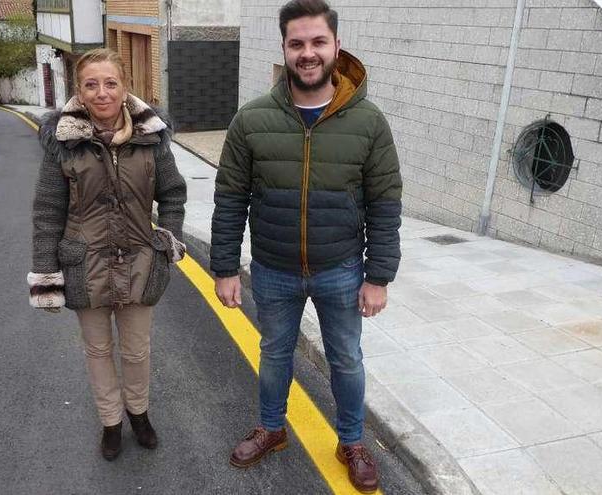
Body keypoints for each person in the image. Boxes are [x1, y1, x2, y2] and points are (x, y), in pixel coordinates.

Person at [210, 0, 402, 491]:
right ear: (285, 49)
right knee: (274, 353)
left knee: (347, 359)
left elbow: (384, 202)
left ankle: (352, 441)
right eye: (297, 43)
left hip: (341, 269)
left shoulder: (369, 122)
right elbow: (230, 197)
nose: (308, 53)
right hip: (273, 268)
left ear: (337, 46)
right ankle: (271, 429)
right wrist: (225, 267)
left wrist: (378, 276)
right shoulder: (251, 120)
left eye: (318, 42)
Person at [27, 48, 186, 461]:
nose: (102, 93)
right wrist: (46, 272)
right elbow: (47, 211)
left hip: (140, 262)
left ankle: (139, 414)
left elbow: (172, 193)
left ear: (124, 86)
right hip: (85, 265)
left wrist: (167, 242)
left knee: (136, 350)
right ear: (79, 92)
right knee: (97, 351)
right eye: (91, 84)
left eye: (110, 83)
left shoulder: (151, 139)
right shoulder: (63, 144)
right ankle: (111, 422)